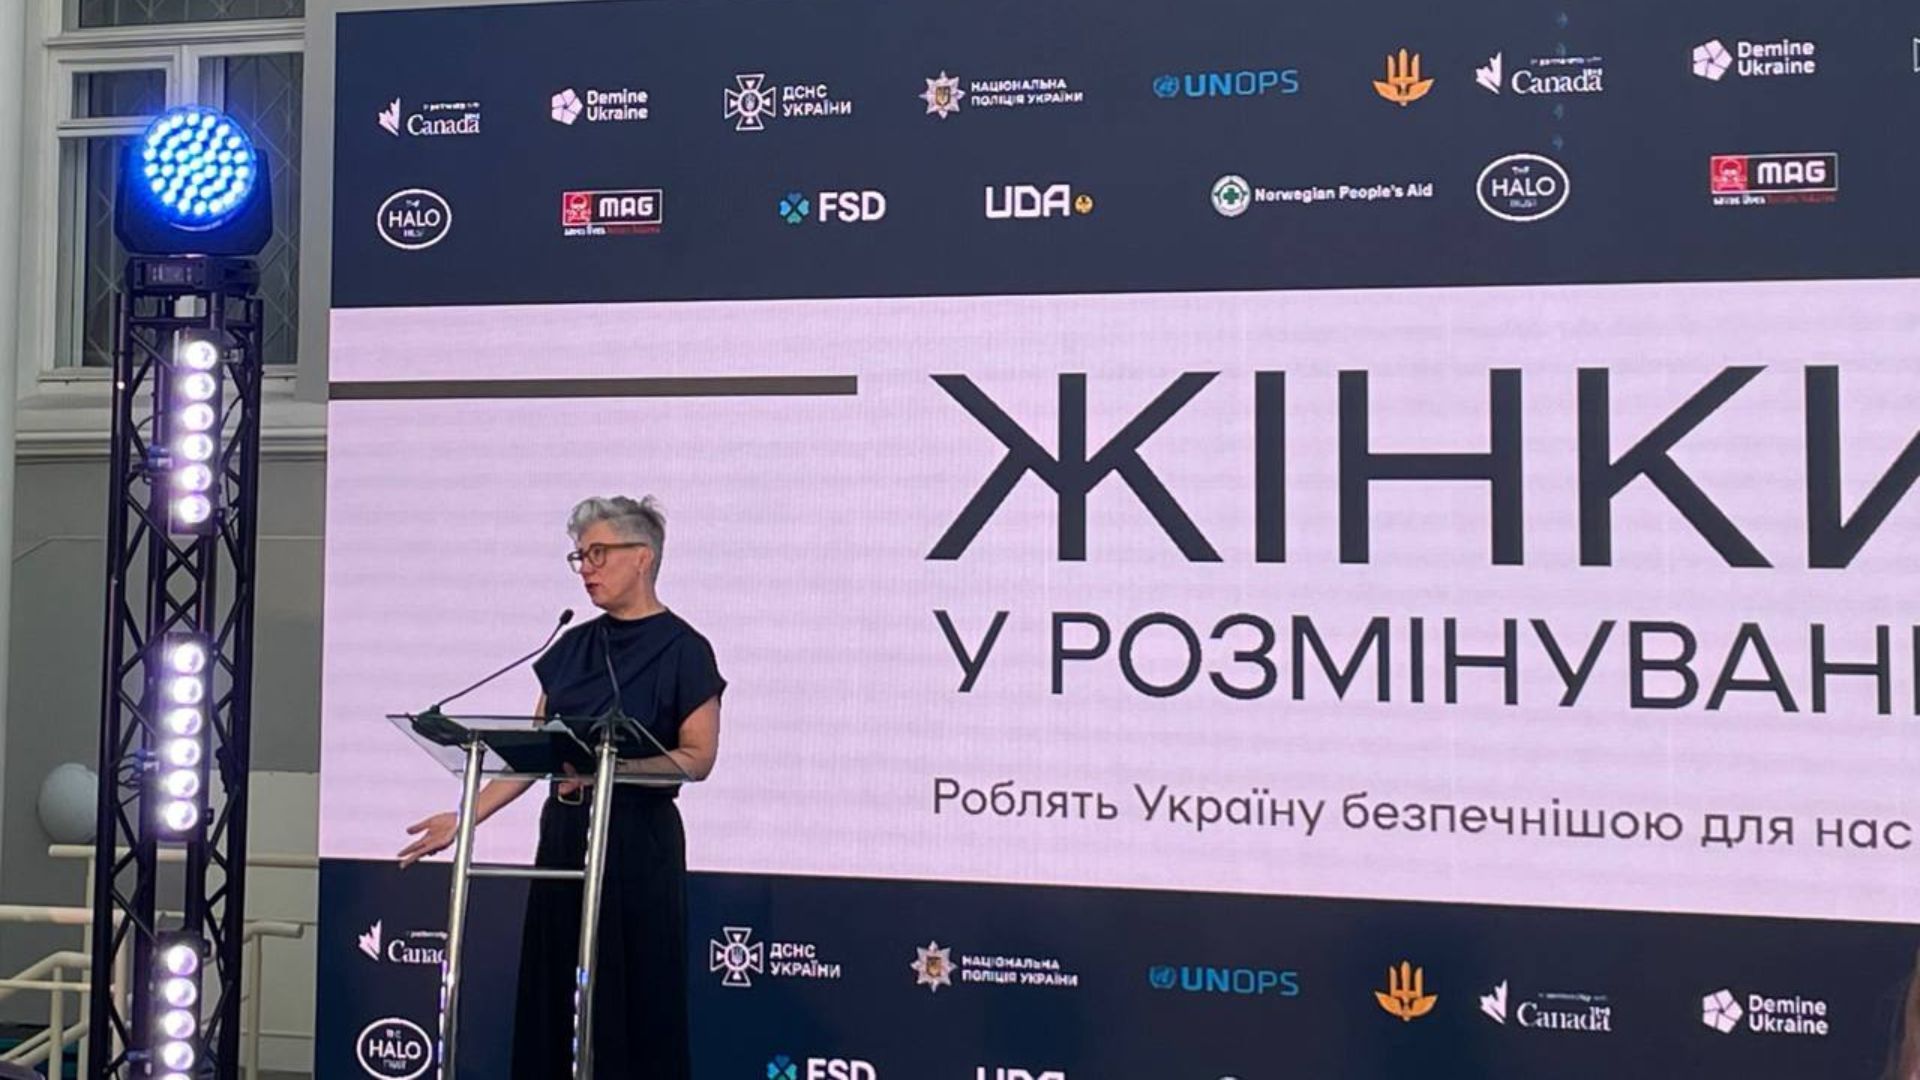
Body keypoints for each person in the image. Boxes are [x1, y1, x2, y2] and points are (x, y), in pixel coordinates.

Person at [397, 495, 724, 1079]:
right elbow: (538, 752)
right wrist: (465, 817)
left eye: (598, 553)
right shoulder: (572, 646)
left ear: (643, 557)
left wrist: (612, 772)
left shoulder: (685, 649)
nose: (586, 569)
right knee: (555, 987)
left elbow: (698, 758)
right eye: (580, 557)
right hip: (566, 836)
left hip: (636, 841)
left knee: (634, 993)